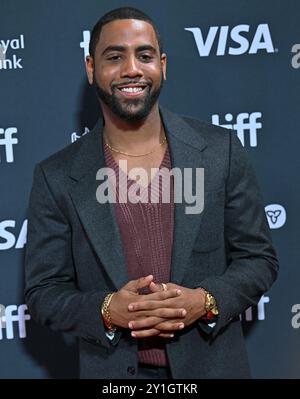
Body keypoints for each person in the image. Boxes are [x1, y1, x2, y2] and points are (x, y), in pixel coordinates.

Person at [24, 6, 278, 379]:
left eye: (144, 55)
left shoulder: (219, 150)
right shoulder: (57, 175)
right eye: (115, 56)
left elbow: (259, 260)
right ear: (91, 67)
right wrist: (107, 309)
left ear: (162, 65)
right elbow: (44, 292)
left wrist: (204, 301)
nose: (132, 69)